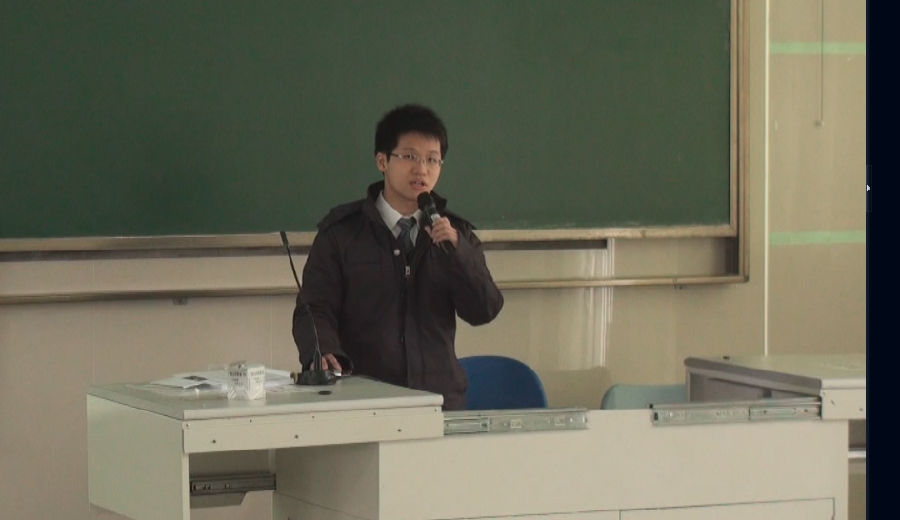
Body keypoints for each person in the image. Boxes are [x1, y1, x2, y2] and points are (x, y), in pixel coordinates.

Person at [292, 104, 504, 410]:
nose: (422, 169)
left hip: (438, 402)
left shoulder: (456, 235)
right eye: (410, 157)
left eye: (432, 159)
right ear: (382, 161)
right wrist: (322, 351)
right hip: (363, 400)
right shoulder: (342, 233)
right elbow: (314, 307)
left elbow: (484, 310)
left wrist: (458, 253)